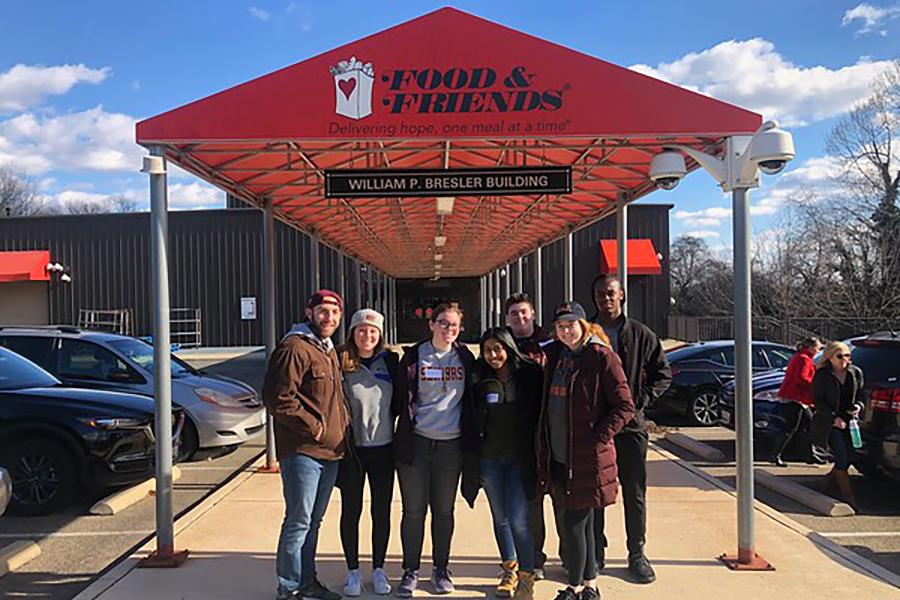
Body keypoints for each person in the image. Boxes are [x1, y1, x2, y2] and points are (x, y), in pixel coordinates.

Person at [537, 301, 635, 600]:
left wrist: (599, 438)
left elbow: (625, 406)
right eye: (560, 327)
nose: (566, 331)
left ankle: (575, 586)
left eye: (571, 325)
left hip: (586, 457)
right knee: (585, 522)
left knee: (573, 523)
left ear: (583, 325)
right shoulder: (556, 356)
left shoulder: (601, 357)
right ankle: (590, 584)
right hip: (559, 454)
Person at [262, 289, 349, 600]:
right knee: (298, 521)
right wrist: (315, 428)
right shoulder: (294, 348)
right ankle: (289, 587)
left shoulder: (327, 349)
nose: (329, 318)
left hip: (330, 453)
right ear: (309, 312)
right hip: (303, 452)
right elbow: (277, 398)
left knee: (313, 522)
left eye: (335, 313)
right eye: (323, 311)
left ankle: (307, 582)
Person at [590, 274, 671, 584]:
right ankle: (596, 550)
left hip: (631, 428)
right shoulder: (587, 333)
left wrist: (639, 402)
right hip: (596, 428)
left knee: (634, 493)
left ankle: (637, 552)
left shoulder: (640, 334)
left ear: (621, 295)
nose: (605, 298)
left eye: (610, 293)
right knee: (595, 492)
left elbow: (662, 374)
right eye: (600, 294)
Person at [393, 302, 477, 597]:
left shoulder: (465, 357)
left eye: (454, 325)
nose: (448, 329)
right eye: (443, 323)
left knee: (443, 511)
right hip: (417, 443)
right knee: (413, 511)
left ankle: (441, 569)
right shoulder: (414, 357)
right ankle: (410, 570)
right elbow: (399, 398)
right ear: (431, 324)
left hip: (451, 446)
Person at [462, 327, 543, 600]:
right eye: (487, 350)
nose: (493, 355)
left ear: (508, 348)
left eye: (498, 349)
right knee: (501, 517)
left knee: (519, 519)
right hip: (490, 460)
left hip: (520, 459)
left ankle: (527, 577)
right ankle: (509, 569)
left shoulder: (530, 375)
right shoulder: (478, 378)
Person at [337, 309, 400, 596]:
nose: (367, 335)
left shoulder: (390, 362)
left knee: (381, 510)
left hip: (384, 449)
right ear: (352, 332)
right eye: (361, 330)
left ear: (380, 334)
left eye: (373, 331)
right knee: (351, 510)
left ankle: (378, 569)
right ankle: (352, 571)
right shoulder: (340, 361)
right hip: (353, 451)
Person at [504, 292, 555, 580]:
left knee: (561, 498)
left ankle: (574, 557)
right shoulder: (502, 345)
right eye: (514, 313)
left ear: (533, 313)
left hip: (549, 430)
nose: (519, 317)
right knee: (530, 500)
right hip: (517, 435)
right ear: (507, 318)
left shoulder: (551, 344)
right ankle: (534, 557)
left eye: (524, 312)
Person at [810, 341, 865, 510]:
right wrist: (833, 418)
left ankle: (827, 481)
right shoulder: (823, 375)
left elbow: (861, 395)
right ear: (830, 357)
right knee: (841, 457)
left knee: (850, 457)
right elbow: (818, 400)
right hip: (831, 422)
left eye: (847, 356)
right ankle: (849, 498)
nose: (844, 360)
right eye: (839, 356)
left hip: (850, 421)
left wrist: (858, 406)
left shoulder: (855, 372)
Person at [770, 336, 825, 467]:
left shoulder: (802, 357)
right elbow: (801, 378)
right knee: (791, 428)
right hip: (795, 398)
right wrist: (815, 386)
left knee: (809, 424)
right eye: (817, 348)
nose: (818, 351)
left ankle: (810, 454)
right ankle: (776, 454)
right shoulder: (803, 359)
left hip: (798, 398)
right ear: (810, 348)